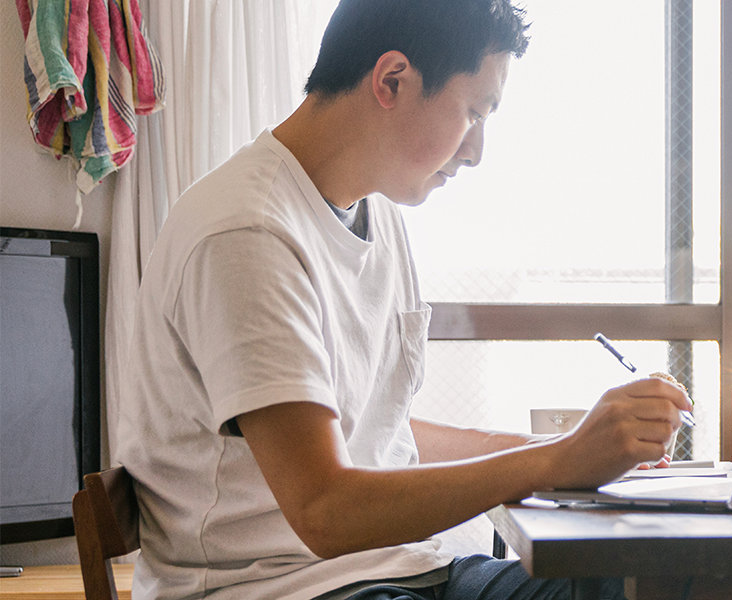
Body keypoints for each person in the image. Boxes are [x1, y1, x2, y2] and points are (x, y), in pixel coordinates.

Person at [114, 1, 686, 598]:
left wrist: (562, 449)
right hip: (285, 588)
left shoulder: (377, 212)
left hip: (401, 573)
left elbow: (376, 430)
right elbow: (324, 508)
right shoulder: (248, 231)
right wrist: (557, 463)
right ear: (392, 80)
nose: (476, 151)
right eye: (473, 112)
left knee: (642, 582)